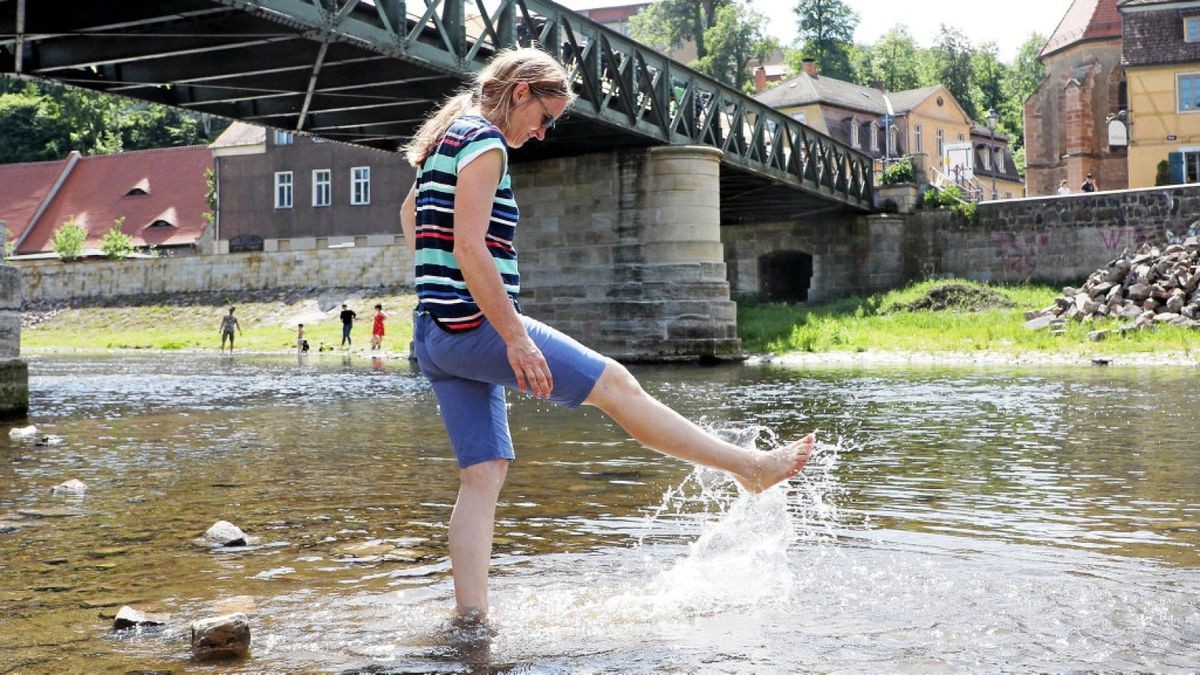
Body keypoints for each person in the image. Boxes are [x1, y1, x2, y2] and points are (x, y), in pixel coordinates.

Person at [399, 48, 816, 624]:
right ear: (520, 93)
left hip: (435, 335)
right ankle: (748, 467)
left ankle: (470, 620)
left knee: (483, 473)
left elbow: (411, 215)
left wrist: (436, 283)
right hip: (475, 328)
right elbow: (470, 247)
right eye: (545, 118)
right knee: (616, 384)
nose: (544, 134)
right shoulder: (484, 142)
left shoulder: (447, 138)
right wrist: (515, 337)